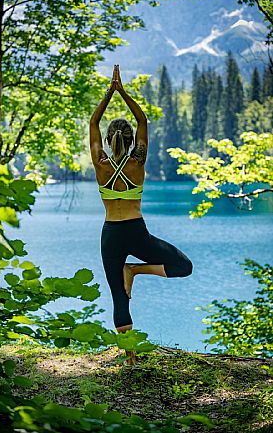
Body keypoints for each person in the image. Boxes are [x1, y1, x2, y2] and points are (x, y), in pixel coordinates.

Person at [89, 64, 193, 363]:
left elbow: (94, 122)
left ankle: (130, 357)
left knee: (118, 298)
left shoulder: (100, 164)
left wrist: (109, 93)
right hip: (137, 232)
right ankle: (135, 269)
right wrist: (123, 91)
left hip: (111, 235)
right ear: (132, 139)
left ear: (108, 141)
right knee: (183, 266)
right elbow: (142, 119)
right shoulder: (138, 162)